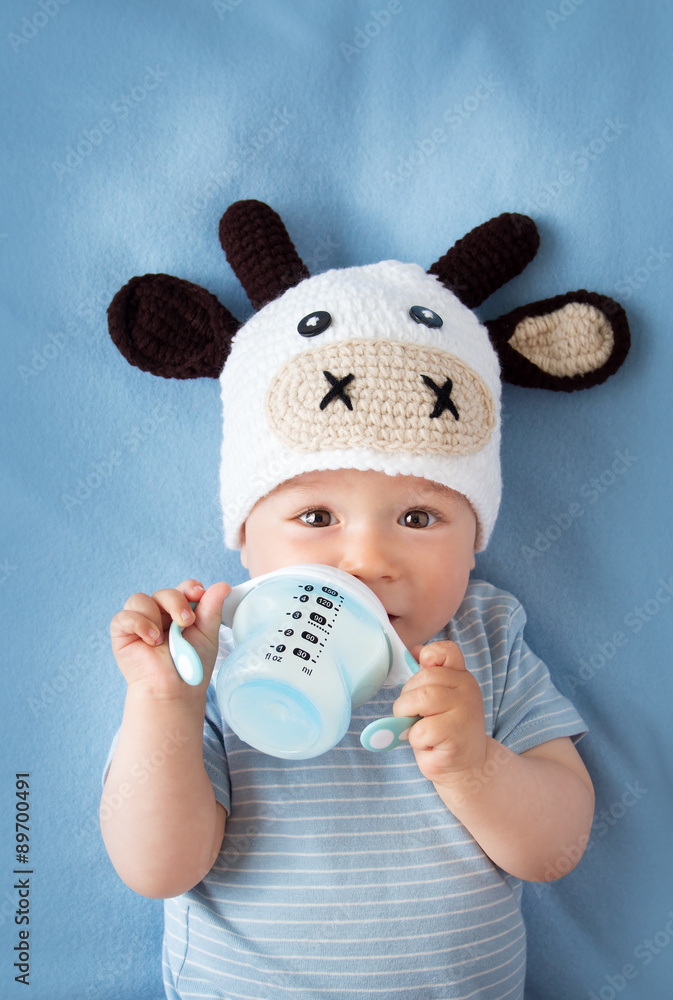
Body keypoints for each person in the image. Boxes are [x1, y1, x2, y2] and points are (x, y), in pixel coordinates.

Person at [101, 200, 630, 999]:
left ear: (475, 536)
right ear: (244, 535)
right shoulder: (207, 646)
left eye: (419, 517)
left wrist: (476, 767)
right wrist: (163, 708)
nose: (366, 557)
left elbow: (555, 851)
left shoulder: (482, 639)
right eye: (315, 516)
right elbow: (157, 868)